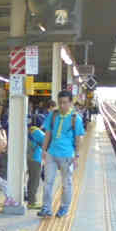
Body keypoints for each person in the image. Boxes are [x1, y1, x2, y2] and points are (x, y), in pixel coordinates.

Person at [39, 89, 85, 218]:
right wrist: (44, 150)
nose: (62, 105)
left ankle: (64, 207)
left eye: (65, 102)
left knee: (66, 184)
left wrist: (77, 156)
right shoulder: (53, 115)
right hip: (51, 153)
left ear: (70, 103)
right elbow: (48, 133)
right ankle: (46, 208)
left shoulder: (76, 119)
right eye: (60, 102)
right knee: (47, 183)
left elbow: (79, 138)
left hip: (67, 155)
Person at [26, 118, 46, 208]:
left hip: (29, 158)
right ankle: (32, 202)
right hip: (36, 158)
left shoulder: (30, 130)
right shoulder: (37, 131)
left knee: (31, 180)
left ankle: (31, 200)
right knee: (34, 181)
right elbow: (46, 142)